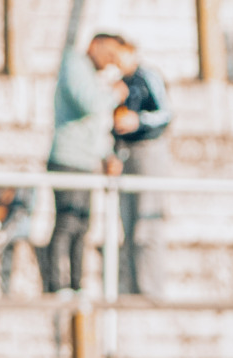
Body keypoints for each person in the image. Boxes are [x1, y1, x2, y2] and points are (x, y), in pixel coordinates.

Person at [45, 34, 127, 293]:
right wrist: (114, 94)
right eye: (110, 54)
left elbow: (92, 126)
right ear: (95, 45)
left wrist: (107, 155)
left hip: (84, 162)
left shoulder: (88, 74)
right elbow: (89, 105)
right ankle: (57, 286)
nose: (111, 62)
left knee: (82, 227)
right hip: (67, 159)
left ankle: (77, 287)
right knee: (67, 223)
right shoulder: (73, 64)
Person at [113, 40, 174, 298]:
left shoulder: (148, 76)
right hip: (127, 154)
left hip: (149, 152)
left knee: (148, 225)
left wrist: (138, 121)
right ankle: (130, 289)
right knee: (127, 226)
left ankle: (151, 291)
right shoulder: (118, 84)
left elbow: (166, 113)